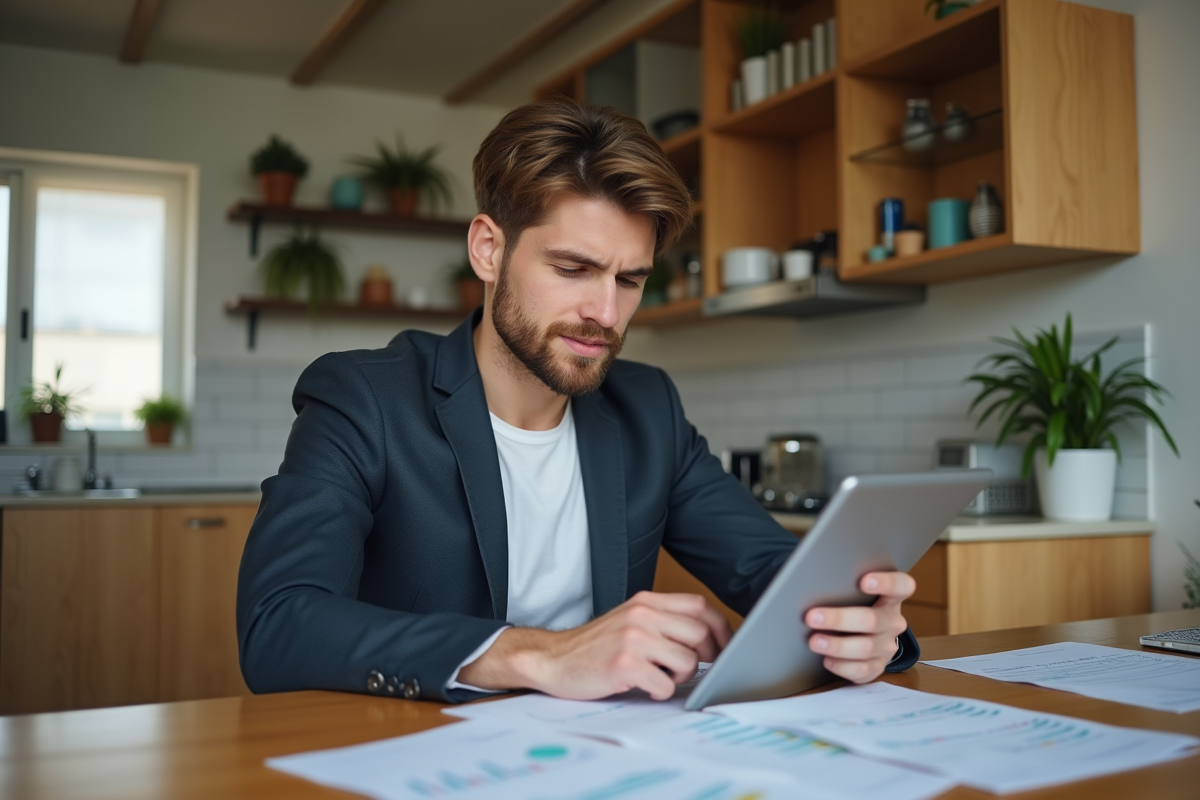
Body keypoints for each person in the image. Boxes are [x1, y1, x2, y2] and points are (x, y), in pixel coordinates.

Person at [237, 100, 918, 704]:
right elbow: (278, 622)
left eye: (630, 280)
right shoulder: (365, 399)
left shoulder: (648, 408)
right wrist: (539, 655)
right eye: (573, 269)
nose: (605, 313)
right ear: (488, 250)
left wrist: (861, 628)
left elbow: (773, 571)